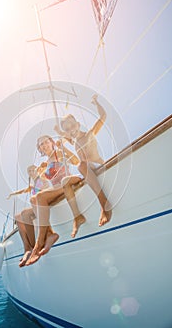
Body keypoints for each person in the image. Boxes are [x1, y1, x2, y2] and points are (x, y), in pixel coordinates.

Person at [26, 135, 86, 266]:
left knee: (40, 197)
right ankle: (50, 234)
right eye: (41, 144)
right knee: (33, 199)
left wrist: (63, 147)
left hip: (70, 181)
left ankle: (39, 242)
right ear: (39, 148)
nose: (44, 145)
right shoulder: (47, 162)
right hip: (57, 188)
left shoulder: (59, 152)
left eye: (46, 142)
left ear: (51, 142)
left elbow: (76, 161)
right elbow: (41, 179)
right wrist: (39, 171)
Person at [55, 94, 112, 227]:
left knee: (81, 165)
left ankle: (104, 203)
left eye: (72, 126)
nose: (71, 130)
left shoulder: (89, 135)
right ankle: (77, 217)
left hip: (97, 166)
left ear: (78, 124)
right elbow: (77, 161)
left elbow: (103, 116)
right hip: (86, 170)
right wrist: (61, 146)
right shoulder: (75, 144)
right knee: (65, 180)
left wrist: (96, 102)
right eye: (67, 130)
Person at [7, 165, 51, 267]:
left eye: (32, 170)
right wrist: (11, 194)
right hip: (36, 208)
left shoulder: (42, 179)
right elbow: (22, 191)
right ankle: (27, 248)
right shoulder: (33, 185)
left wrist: (41, 170)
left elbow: (46, 176)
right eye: (29, 171)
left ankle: (33, 246)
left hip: (43, 205)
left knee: (24, 213)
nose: (31, 172)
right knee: (17, 217)